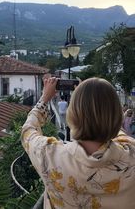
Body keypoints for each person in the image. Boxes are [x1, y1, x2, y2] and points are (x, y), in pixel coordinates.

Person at [21, 77, 135, 209]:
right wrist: (96, 105)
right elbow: (119, 132)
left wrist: (44, 99)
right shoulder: (131, 152)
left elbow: (28, 131)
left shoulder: (50, 155)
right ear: (117, 115)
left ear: (73, 114)